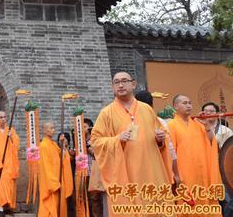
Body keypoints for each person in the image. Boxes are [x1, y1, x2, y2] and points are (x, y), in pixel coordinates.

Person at [91, 71, 173, 216]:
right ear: (112, 87)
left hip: (151, 171)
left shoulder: (146, 109)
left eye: (124, 81)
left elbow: (160, 136)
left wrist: (160, 139)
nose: (120, 85)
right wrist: (117, 140)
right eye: (116, 82)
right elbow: (96, 142)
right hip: (125, 173)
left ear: (133, 84)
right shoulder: (106, 113)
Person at [168, 95, 221, 216]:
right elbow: (170, 153)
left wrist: (207, 125)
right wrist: (175, 175)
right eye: (185, 103)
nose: (188, 105)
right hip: (184, 174)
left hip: (202, 172)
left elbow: (210, 144)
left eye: (190, 103)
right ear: (175, 106)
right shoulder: (172, 125)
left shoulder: (198, 124)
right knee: (188, 205)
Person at [38, 122, 73, 217]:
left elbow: (62, 156)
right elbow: (46, 167)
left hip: (58, 179)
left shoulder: (53, 144)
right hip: (51, 183)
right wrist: (54, 183)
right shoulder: (43, 146)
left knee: (59, 207)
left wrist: (63, 145)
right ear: (44, 130)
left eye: (53, 128)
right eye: (50, 128)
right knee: (49, 209)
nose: (53, 130)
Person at [0, 111, 19, 216]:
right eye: (1, 117)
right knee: (1, 186)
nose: (3, 119)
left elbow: (17, 145)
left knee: (10, 186)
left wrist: (11, 137)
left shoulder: (11, 131)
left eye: (5, 117)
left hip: (9, 164)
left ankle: (7, 207)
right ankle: (0, 208)